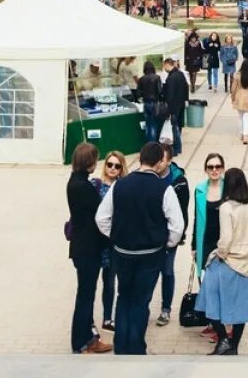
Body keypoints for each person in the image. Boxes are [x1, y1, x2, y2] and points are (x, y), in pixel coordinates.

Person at [95, 142, 185, 355]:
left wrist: (116, 237)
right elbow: (177, 226)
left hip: (123, 252)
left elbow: (102, 218)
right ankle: (135, 347)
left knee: (124, 296)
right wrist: (166, 243)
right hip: (150, 254)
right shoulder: (165, 189)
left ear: (141, 159)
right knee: (141, 301)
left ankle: (122, 345)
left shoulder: (120, 185)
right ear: (160, 162)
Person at [196, 168, 248, 356]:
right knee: (241, 307)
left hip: (228, 261)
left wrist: (220, 255)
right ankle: (234, 346)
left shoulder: (226, 208)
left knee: (210, 300)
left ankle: (223, 339)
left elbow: (225, 238)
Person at [67, 143, 113, 354]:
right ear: (89, 162)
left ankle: (88, 336)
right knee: (85, 296)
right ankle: (81, 341)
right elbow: (99, 214)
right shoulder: (84, 187)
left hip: (80, 247)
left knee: (85, 293)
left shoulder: (75, 182)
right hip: (88, 249)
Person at [91, 151, 128, 333]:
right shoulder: (95, 186)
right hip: (95, 242)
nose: (112, 168)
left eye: (117, 165)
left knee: (109, 281)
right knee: (90, 282)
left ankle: (107, 317)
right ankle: (89, 319)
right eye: (109, 164)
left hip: (112, 242)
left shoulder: (123, 188)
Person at [192, 153, 227, 341]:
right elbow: (196, 218)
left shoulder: (228, 190)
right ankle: (213, 322)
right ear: (206, 169)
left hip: (222, 243)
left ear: (222, 169)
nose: (214, 170)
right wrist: (193, 245)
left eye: (217, 167)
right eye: (210, 167)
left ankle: (223, 326)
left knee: (220, 285)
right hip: (204, 241)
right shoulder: (199, 190)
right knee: (206, 284)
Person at [156, 144, 190, 328]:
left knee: (167, 271)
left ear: (169, 160)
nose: (159, 163)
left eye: (163, 159)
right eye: (157, 159)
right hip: (151, 235)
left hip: (170, 236)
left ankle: (166, 309)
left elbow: (182, 212)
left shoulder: (179, 181)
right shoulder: (148, 175)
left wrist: (179, 235)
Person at [162, 58, 189, 156]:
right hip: (181, 103)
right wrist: (186, 100)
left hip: (174, 106)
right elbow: (186, 87)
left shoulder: (171, 78)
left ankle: (176, 148)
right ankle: (177, 146)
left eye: (164, 66)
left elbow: (170, 94)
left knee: (174, 127)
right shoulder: (181, 74)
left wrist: (168, 108)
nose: (164, 69)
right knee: (179, 125)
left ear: (167, 65)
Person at [231, 59, 248, 145]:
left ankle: (242, 134)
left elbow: (233, 88)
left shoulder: (237, 75)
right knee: (246, 117)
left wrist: (232, 97)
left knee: (240, 117)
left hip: (239, 97)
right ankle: (246, 135)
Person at [137, 61, 163, 143]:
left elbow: (138, 93)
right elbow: (160, 91)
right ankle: (153, 143)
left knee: (148, 124)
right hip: (155, 102)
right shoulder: (157, 77)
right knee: (154, 123)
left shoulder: (141, 79)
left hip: (146, 102)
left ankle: (149, 142)